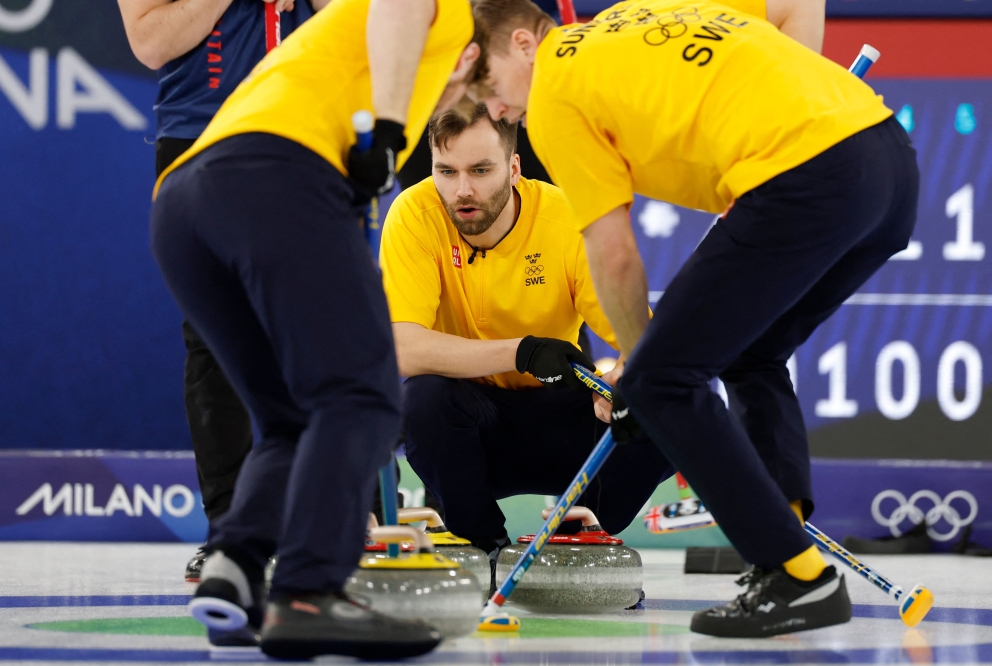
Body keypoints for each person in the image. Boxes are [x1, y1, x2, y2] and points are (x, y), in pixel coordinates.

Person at [470, 0, 918, 637]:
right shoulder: (631, 16)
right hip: (888, 160)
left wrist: (636, 369)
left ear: (523, 44)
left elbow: (615, 253)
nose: (494, 109)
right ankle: (782, 543)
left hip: (805, 172)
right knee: (750, 352)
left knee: (659, 380)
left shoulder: (554, 93)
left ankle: (797, 576)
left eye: (487, 84)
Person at [149, 0, 482, 658]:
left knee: (291, 418)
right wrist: (386, 133)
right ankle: (308, 590)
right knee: (363, 394)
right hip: (270, 179)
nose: (498, 115)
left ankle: (235, 562)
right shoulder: (452, 24)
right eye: (500, 101)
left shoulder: (344, 44)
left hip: (182, 199)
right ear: (489, 55)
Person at [380, 104, 672, 594]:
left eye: (480, 170)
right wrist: (521, 351)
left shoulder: (566, 215)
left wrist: (622, 379)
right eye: (446, 171)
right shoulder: (414, 212)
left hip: (569, 424)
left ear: (514, 169)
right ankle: (483, 543)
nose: (462, 190)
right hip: (473, 431)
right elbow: (403, 349)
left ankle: (590, 524)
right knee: (423, 398)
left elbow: (636, 339)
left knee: (661, 398)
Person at [117, 0, 324, 582]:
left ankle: (326, 519)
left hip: (304, 127)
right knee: (215, 336)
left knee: (317, 327)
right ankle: (232, 531)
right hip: (200, 133)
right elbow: (152, 42)